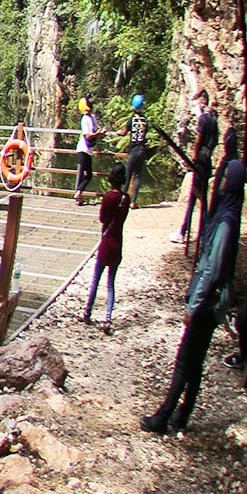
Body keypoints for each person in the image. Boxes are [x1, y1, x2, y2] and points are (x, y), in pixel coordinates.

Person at [143, 158, 246, 434]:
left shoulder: (226, 222)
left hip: (207, 305)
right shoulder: (228, 215)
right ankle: (181, 416)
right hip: (210, 303)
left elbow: (212, 269)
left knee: (184, 361)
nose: (221, 181)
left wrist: (195, 304)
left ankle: (163, 416)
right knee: (195, 363)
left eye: (225, 177)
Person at [83, 163, 130, 330]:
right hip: (118, 242)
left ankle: (88, 313)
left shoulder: (108, 197)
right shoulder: (126, 198)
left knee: (96, 280)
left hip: (106, 242)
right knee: (111, 283)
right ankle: (108, 318)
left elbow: (103, 219)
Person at [177, 90, 221, 243]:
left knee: (196, 196)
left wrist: (195, 156)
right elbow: (215, 140)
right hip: (207, 158)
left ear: (203, 102)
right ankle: (196, 230)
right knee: (200, 197)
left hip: (201, 159)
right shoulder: (215, 118)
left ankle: (186, 231)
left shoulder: (204, 118)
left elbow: (199, 138)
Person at [73, 97, 102, 204]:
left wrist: (101, 132)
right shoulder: (85, 119)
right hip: (83, 149)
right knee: (85, 175)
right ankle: (78, 194)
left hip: (88, 150)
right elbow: (88, 136)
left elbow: (96, 130)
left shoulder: (92, 117)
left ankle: (78, 195)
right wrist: (98, 134)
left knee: (87, 175)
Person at [124, 94, 150, 208]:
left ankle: (123, 200)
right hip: (142, 150)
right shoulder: (145, 120)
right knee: (138, 176)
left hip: (133, 150)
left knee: (128, 175)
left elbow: (124, 132)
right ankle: (133, 202)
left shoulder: (132, 120)